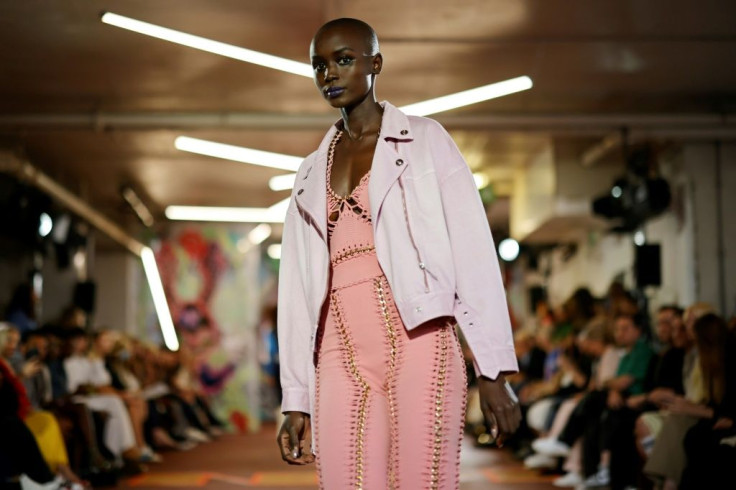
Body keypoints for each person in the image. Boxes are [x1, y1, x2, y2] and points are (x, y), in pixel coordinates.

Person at [275, 18, 520, 489]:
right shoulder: (308, 173)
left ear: (375, 63)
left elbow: (473, 253)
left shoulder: (427, 141)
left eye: (344, 60)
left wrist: (492, 370)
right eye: (319, 65)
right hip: (338, 349)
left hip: (421, 339)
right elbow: (295, 291)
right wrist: (296, 398)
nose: (330, 73)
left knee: (421, 482)